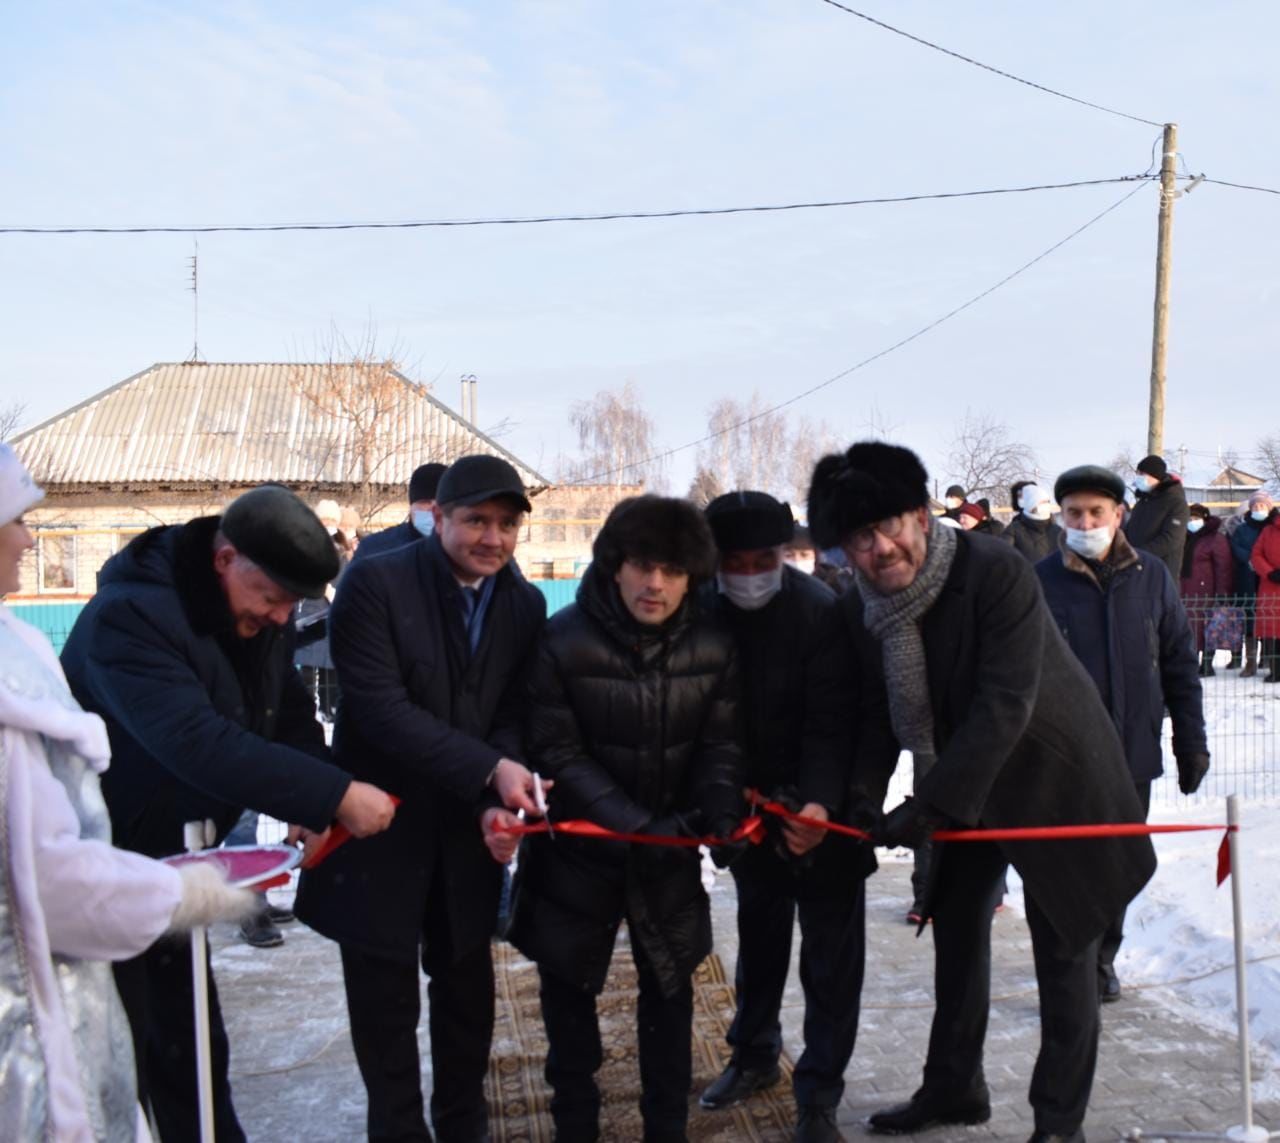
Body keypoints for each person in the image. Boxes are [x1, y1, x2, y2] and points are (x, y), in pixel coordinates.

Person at [808, 441, 1157, 1143]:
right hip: (966, 782)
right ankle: (955, 1087)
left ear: (920, 513)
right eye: (857, 538)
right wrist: (863, 803)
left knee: (1064, 951)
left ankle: (1060, 1124)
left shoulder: (993, 569)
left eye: (889, 525)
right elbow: (875, 715)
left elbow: (1006, 702)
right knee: (958, 929)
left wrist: (930, 803)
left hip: (1056, 776)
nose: (877, 549)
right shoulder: (862, 608)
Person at [60, 483, 398, 1142]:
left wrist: (317, 784)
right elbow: (197, 742)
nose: (280, 619)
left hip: (177, 867)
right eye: (272, 597)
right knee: (120, 1057)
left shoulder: (249, 614)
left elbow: (287, 709)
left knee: (192, 1050)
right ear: (224, 558)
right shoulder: (130, 618)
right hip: (104, 868)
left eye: (290, 605)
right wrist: (333, 796)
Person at [295, 454, 546, 1143]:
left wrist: (498, 793)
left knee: (467, 996)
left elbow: (514, 710)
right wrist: (489, 767)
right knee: (384, 1006)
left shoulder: (522, 604)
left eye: (505, 523)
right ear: (438, 518)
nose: (491, 537)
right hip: (377, 823)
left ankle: (462, 1127)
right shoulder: (376, 582)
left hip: (466, 834)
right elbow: (380, 710)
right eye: (475, 520)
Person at [503, 495, 743, 1143]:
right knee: (569, 1003)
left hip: (667, 853)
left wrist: (720, 805)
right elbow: (556, 750)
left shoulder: (714, 644)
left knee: (669, 993)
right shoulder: (562, 639)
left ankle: (666, 1128)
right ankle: (574, 1126)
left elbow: (721, 744)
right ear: (615, 565)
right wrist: (635, 820)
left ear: (693, 573)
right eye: (642, 564)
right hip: (575, 857)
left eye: (671, 568)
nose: (655, 582)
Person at [695, 492, 867, 1143]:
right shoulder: (701, 609)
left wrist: (817, 804)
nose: (747, 575)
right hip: (747, 809)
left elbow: (836, 720)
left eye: (760, 559)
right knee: (759, 938)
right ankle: (754, 1055)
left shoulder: (821, 610)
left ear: (783, 554)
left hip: (824, 812)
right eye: (732, 562)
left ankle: (820, 1092)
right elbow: (702, 709)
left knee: (830, 959)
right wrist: (725, 794)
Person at [1035, 465, 1208, 1003]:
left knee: (1119, 862)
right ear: (1060, 517)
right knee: (1068, 866)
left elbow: (1179, 660)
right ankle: (1072, 960)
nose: (1085, 521)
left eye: (1096, 512)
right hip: (1065, 757)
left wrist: (1190, 740)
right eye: (1074, 513)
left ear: (1119, 514)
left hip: (1131, 752)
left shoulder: (1152, 575)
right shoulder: (1040, 580)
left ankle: (1103, 957)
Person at [295, 497, 353, 718]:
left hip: (327, 611)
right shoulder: (305, 546)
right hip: (305, 610)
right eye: (324, 519)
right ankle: (306, 710)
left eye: (331, 519)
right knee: (305, 669)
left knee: (329, 669)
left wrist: (331, 591)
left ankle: (329, 710)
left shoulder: (342, 553)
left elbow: (346, 582)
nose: (327, 523)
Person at [352, 461, 448, 562]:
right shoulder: (375, 549)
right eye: (425, 502)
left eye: (441, 503)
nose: (433, 509)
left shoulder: (462, 550)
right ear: (411, 506)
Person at [1179, 503, 1234, 676]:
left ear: (1204, 519)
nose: (1192, 522)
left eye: (1196, 518)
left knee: (1208, 626)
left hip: (1207, 590)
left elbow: (1223, 568)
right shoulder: (1183, 537)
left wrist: (1222, 592)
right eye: (1189, 518)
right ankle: (1192, 663)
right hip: (1185, 589)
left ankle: (1208, 664)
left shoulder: (1215, 539)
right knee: (1189, 628)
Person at [1123, 454, 1189, 581]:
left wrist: (1137, 554)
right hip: (1135, 572)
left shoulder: (1176, 503)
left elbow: (1170, 540)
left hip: (1160, 573)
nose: (1139, 477)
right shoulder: (1142, 503)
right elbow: (1129, 532)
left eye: (1142, 474)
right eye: (1138, 473)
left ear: (1155, 476)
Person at [1229, 491, 1273, 677]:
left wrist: (1265, 564)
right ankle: (1250, 661)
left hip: (1269, 578)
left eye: (1262, 506)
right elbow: (1236, 547)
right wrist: (1251, 560)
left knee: (1269, 617)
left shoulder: (1273, 528)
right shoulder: (1242, 529)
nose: (1258, 509)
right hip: (1247, 577)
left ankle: (1267, 658)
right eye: (1255, 506)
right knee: (1249, 620)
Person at [1249, 503, 1280, 685]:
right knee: (1272, 632)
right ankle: (1275, 670)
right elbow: (1256, 554)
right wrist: (1268, 572)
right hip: (1270, 586)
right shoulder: (1268, 531)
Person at [1001, 481, 1062, 563]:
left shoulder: (1058, 530)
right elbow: (1001, 556)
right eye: (1042, 502)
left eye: (1046, 502)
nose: (1045, 505)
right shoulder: (1014, 529)